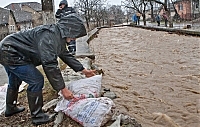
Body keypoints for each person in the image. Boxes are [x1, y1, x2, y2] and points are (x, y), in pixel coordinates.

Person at [0, 14, 96, 125]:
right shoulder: (50, 37)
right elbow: (50, 64)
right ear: (69, 30)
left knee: (15, 80)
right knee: (36, 80)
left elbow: (65, 55)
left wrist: (84, 70)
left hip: (6, 49)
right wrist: (63, 89)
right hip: (11, 52)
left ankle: (10, 108)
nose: (74, 39)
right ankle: (37, 116)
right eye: (75, 35)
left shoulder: (57, 36)